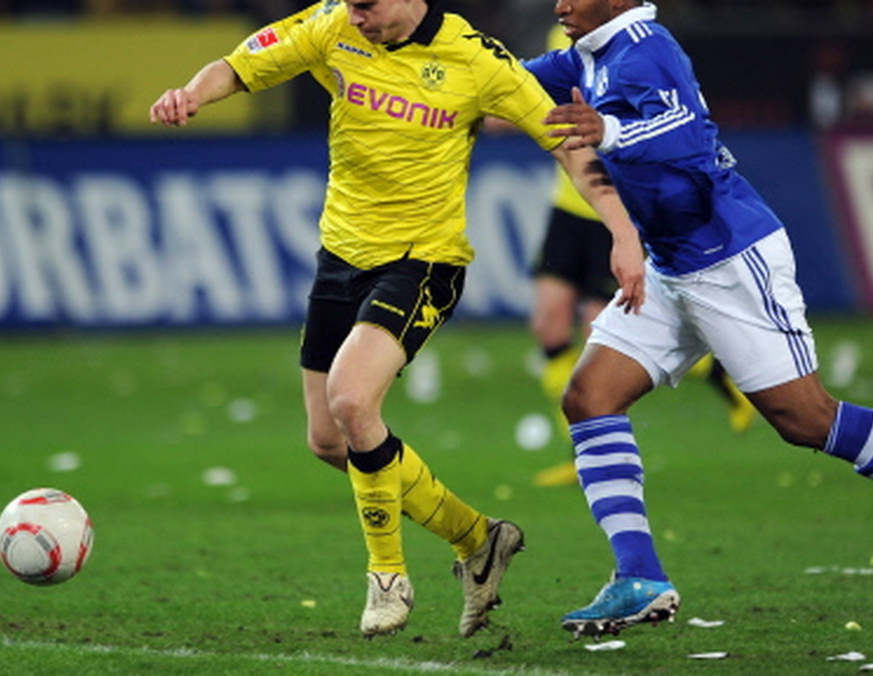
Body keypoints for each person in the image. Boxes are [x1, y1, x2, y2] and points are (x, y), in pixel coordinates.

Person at [524, 0, 873, 637]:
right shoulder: (584, 55)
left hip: (730, 257)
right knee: (590, 397)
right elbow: (504, 76)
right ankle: (639, 577)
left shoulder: (648, 47)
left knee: (805, 419)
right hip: (670, 263)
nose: (561, 3)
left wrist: (610, 132)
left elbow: (684, 132)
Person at [149, 0, 646, 638]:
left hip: (423, 261)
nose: (356, 17)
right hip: (341, 259)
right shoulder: (332, 24)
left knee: (353, 401)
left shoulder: (475, 59)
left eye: (367, 6)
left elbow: (572, 150)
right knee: (329, 440)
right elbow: (242, 65)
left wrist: (622, 232)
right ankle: (479, 539)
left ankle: (388, 577)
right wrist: (192, 94)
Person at [527, 23, 753, 488]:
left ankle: (717, 372)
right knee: (549, 323)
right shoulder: (561, 42)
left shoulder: (635, 49)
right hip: (567, 203)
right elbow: (528, 96)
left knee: (598, 329)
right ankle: (577, 449)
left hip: (610, 202)